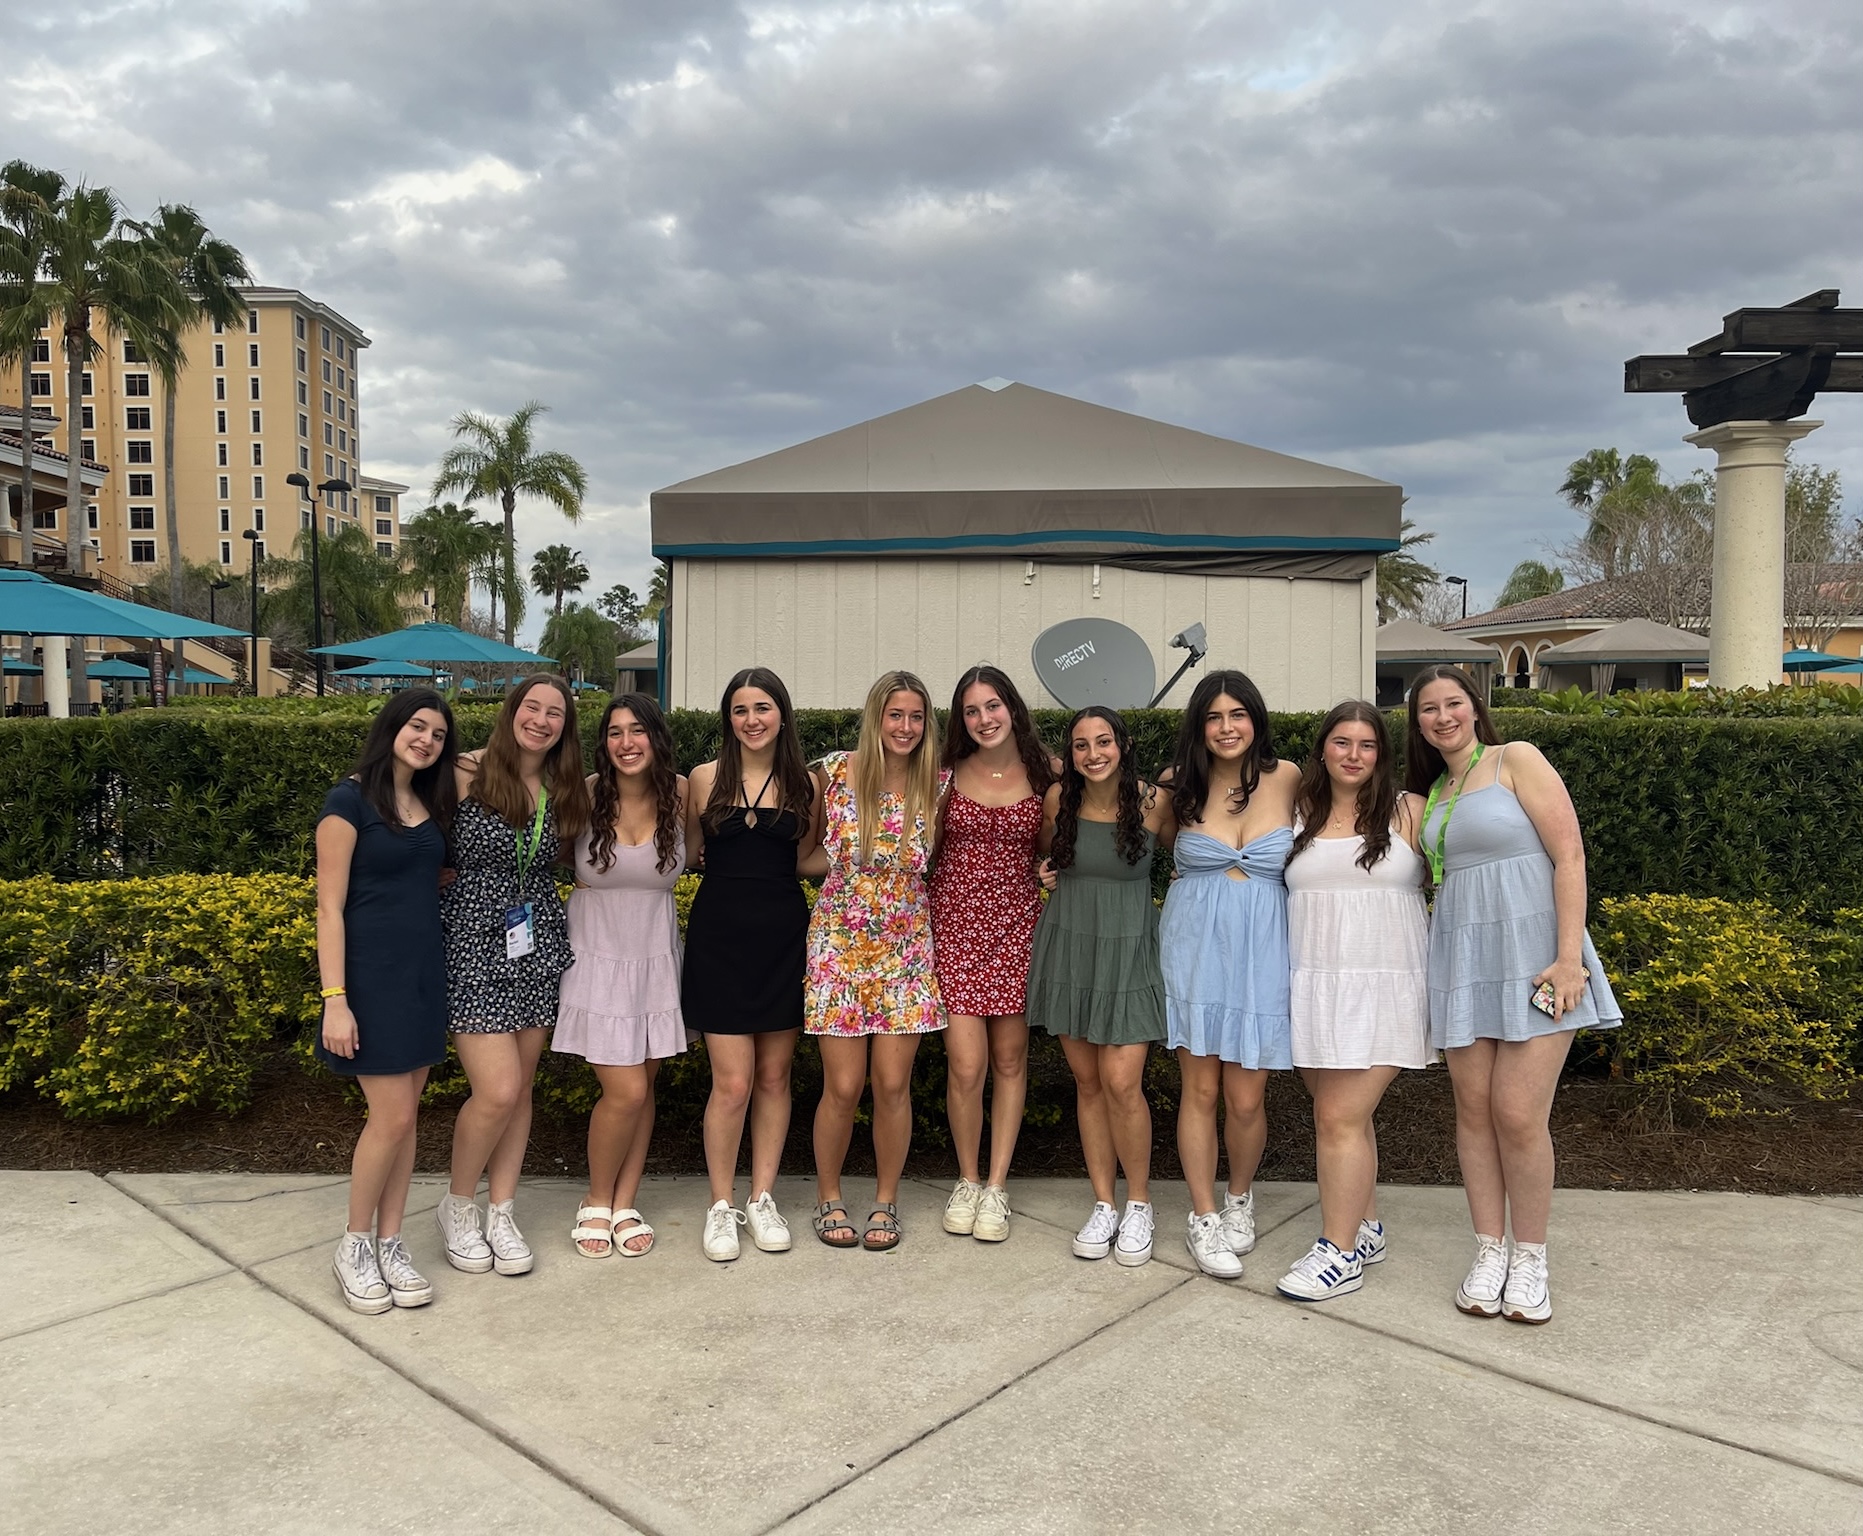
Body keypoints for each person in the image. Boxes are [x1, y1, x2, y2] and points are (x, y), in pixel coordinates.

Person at [1409, 664, 1622, 1324]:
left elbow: (1569, 856)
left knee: (1517, 1114)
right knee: (1472, 1112)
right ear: (1415, 723)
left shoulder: (1513, 760)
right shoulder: (1434, 792)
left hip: (1535, 967)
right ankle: (1489, 1249)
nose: (1442, 716)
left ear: (1474, 708)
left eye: (1452, 703)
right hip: (1464, 964)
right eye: (1426, 709)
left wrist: (1566, 959)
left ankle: (1530, 1257)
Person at [1275, 700, 1432, 1303]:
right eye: (1342, 742)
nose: (1353, 755)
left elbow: (1457, 877)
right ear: (1323, 749)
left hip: (1388, 984)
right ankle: (1366, 1227)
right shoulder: (1298, 810)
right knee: (1347, 1117)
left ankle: (1337, 1253)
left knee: (1336, 1119)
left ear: (1382, 755)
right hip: (1313, 985)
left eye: (1367, 745)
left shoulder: (1409, 811)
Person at [435, 674, 590, 1278]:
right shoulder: (464, 772)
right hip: (472, 940)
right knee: (496, 1089)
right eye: (533, 707)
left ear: (564, 729)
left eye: (556, 713)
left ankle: (502, 1209)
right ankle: (457, 1204)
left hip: (535, 940)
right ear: (513, 710)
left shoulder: (564, 788)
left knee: (521, 1089)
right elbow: (405, 825)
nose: (542, 720)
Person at [316, 689, 459, 1314]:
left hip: (425, 976)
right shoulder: (348, 802)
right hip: (369, 982)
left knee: (409, 1120)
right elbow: (329, 907)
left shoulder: (427, 803)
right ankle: (354, 1244)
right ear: (392, 727)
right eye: (416, 726)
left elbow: (423, 877)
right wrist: (335, 999)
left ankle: (392, 1242)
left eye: (437, 734)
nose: (426, 739)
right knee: (392, 1118)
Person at [1159, 671, 1297, 1279]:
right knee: (1202, 1091)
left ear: (1255, 719)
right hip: (1194, 949)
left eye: (1237, 714)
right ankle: (1203, 1214)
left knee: (1247, 1097)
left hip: (1264, 950)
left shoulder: (1290, 778)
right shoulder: (1176, 787)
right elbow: (1128, 846)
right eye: (1213, 717)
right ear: (1199, 725)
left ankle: (1240, 1196)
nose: (1226, 727)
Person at [1027, 705, 1174, 1267]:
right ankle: (1104, 1202)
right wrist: (1046, 869)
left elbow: (1192, 849)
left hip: (1130, 950)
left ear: (1123, 743)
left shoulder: (1152, 803)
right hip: (1072, 948)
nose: (1094, 754)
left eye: (1104, 742)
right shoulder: (1058, 799)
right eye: (1082, 745)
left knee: (1120, 1082)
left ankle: (1139, 1203)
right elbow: (1044, 853)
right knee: (1088, 1085)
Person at [683, 667, 822, 1262]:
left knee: (772, 1078)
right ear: (728, 720)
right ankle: (721, 1205)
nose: (753, 719)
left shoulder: (806, 784)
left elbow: (811, 857)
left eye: (763, 707)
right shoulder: (703, 779)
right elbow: (687, 855)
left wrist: (873, 861)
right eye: (740, 710)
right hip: (719, 941)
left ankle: (762, 1197)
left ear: (782, 715)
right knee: (732, 1083)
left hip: (784, 940)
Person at [807, 671, 947, 1253]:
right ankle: (829, 1196)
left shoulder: (940, 784)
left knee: (892, 1085)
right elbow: (802, 851)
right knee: (842, 1086)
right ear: (876, 717)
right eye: (896, 716)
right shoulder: (833, 772)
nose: (906, 728)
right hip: (839, 947)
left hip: (906, 952)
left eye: (916, 717)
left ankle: (886, 1201)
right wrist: (848, 877)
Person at [555, 693, 688, 1260]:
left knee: (644, 1088)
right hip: (596, 958)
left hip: (657, 957)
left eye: (637, 730)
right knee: (625, 1090)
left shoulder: (683, 796)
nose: (626, 742)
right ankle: (595, 1199)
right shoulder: (583, 794)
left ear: (656, 737)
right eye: (614, 732)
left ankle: (625, 1200)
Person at [929, 665, 1054, 1244]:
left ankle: (998, 1186)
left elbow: (1062, 845)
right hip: (954, 929)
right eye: (972, 710)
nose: (984, 719)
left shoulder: (1048, 773)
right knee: (966, 1064)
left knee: (1009, 1062)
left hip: (1017, 930)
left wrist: (1052, 871)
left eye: (993, 706)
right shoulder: (942, 775)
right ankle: (968, 1179)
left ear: (1012, 708)